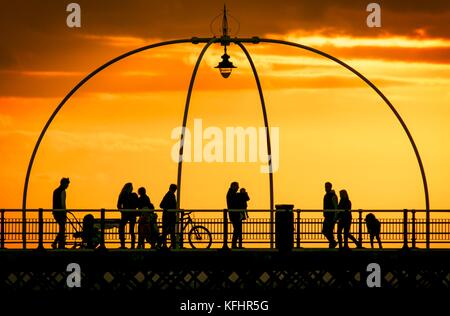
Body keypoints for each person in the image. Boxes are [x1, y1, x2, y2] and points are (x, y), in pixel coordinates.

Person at [117, 182, 139, 249]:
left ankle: (123, 245)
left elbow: (118, 205)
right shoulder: (134, 195)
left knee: (121, 228)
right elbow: (137, 204)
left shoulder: (122, 195)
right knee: (131, 230)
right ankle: (132, 246)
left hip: (125, 214)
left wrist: (122, 211)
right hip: (132, 214)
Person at [51, 177, 70, 249]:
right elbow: (63, 203)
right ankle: (58, 244)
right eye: (67, 184)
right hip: (61, 213)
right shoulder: (63, 191)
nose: (67, 186)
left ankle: (59, 244)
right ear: (63, 183)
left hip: (55, 212)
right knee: (62, 229)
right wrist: (65, 212)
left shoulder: (55, 191)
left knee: (61, 228)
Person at [160, 184, 178, 249]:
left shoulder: (169, 195)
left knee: (168, 232)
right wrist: (169, 208)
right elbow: (161, 205)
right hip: (169, 216)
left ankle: (167, 245)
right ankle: (170, 245)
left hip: (168, 216)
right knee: (170, 232)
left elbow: (161, 205)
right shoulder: (169, 195)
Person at [227, 182, 244, 249]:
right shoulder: (231, 194)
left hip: (234, 214)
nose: (238, 188)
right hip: (234, 214)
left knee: (237, 230)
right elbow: (235, 202)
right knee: (237, 229)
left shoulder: (231, 193)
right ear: (233, 186)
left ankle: (236, 245)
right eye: (237, 186)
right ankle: (234, 245)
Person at [322, 182, 338, 248]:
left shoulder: (332, 195)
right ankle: (332, 242)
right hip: (327, 215)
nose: (325, 188)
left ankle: (332, 243)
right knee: (326, 231)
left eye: (327, 187)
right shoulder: (327, 195)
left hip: (331, 216)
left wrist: (335, 216)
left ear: (330, 187)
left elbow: (336, 207)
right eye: (325, 186)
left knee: (327, 230)